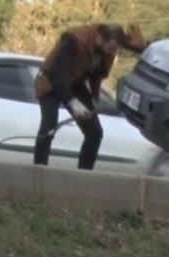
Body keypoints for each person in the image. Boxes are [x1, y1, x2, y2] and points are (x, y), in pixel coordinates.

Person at [33, 23, 147, 170]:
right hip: (51, 81)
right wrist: (72, 102)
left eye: (116, 49)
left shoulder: (111, 41)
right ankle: (38, 171)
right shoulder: (74, 40)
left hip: (75, 83)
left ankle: (84, 175)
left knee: (94, 133)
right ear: (100, 38)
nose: (113, 52)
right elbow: (55, 73)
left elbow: (135, 47)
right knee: (49, 127)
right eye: (112, 48)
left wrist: (145, 48)